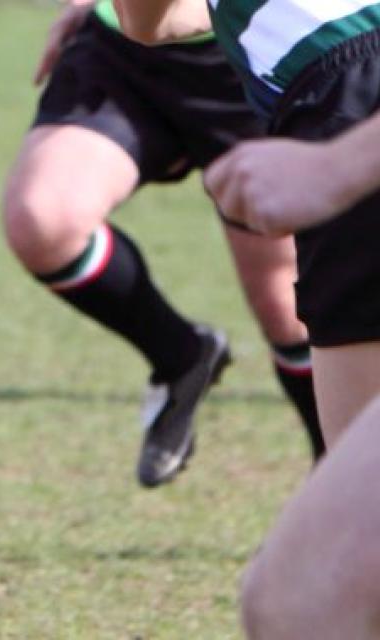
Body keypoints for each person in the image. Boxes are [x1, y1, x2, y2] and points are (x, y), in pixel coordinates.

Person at [113, 0, 380, 636]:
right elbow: (151, 23)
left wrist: (335, 164)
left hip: (350, 94)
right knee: (303, 594)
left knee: (312, 593)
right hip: (332, 97)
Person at [1, 0, 324, 489]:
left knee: (287, 307)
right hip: (123, 47)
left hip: (252, 48)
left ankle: (337, 489)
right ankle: (182, 356)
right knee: (42, 220)